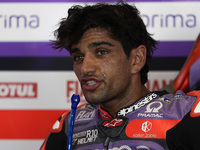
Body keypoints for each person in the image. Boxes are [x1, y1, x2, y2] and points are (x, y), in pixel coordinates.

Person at [40, 2, 200, 150]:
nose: (85, 68)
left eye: (101, 52)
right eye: (78, 57)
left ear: (137, 59)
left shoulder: (184, 114)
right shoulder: (70, 125)